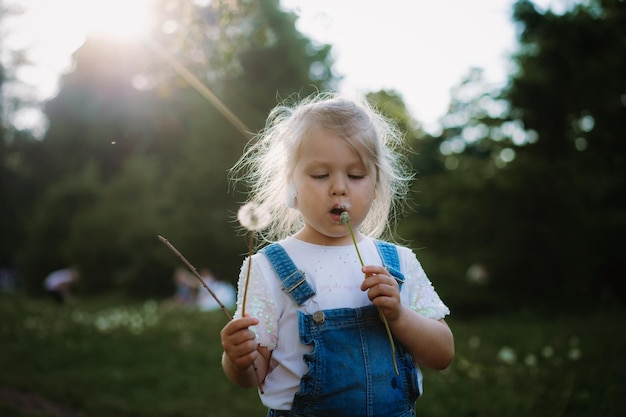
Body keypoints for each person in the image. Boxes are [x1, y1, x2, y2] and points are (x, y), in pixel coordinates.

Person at [220, 92, 454, 417]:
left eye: (355, 175)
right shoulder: (267, 268)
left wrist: (400, 316)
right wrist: (236, 359)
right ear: (292, 185)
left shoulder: (399, 262)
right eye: (320, 175)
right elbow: (254, 375)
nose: (339, 188)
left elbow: (442, 354)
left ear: (375, 186)